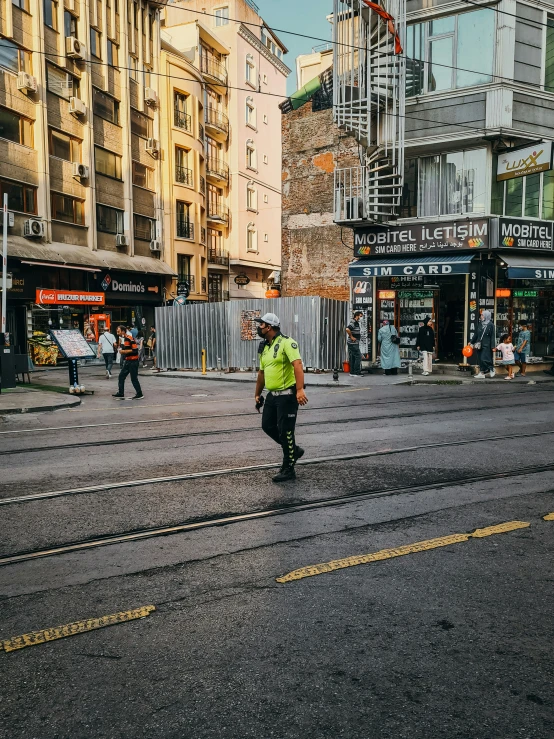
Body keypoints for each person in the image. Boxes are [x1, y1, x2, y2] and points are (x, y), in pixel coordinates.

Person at [254, 313, 308, 483]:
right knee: (267, 426)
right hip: (272, 395)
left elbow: (297, 365)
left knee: (286, 432)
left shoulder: (286, 343)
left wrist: (299, 390)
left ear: (269, 327)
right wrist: (257, 393)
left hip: (287, 395)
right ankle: (294, 450)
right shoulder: (265, 347)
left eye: (261, 324)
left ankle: (288, 468)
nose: (259, 327)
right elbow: (262, 373)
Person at [112, 325, 143, 400]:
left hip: (133, 361)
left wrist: (123, 351)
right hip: (128, 361)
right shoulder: (125, 339)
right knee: (121, 376)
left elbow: (135, 350)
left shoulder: (129, 338)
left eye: (118, 331)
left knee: (133, 378)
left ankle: (139, 394)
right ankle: (121, 393)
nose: (117, 333)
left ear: (123, 331)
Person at [470, 310, 496, 378]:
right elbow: (476, 334)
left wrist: (493, 346)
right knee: (480, 359)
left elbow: (493, 336)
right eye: (481, 315)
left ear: (486, 316)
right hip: (479, 344)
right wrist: (471, 342)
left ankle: (491, 368)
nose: (481, 316)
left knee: (484, 358)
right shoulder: (480, 324)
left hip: (487, 345)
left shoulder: (491, 325)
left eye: (482, 315)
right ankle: (482, 373)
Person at [346, 310, 363, 377]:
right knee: (358, 356)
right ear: (357, 316)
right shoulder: (353, 322)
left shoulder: (356, 322)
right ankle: (357, 372)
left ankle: (352, 372)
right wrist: (351, 337)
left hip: (353, 343)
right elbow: (347, 329)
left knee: (353, 357)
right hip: (353, 343)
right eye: (360, 316)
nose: (361, 318)